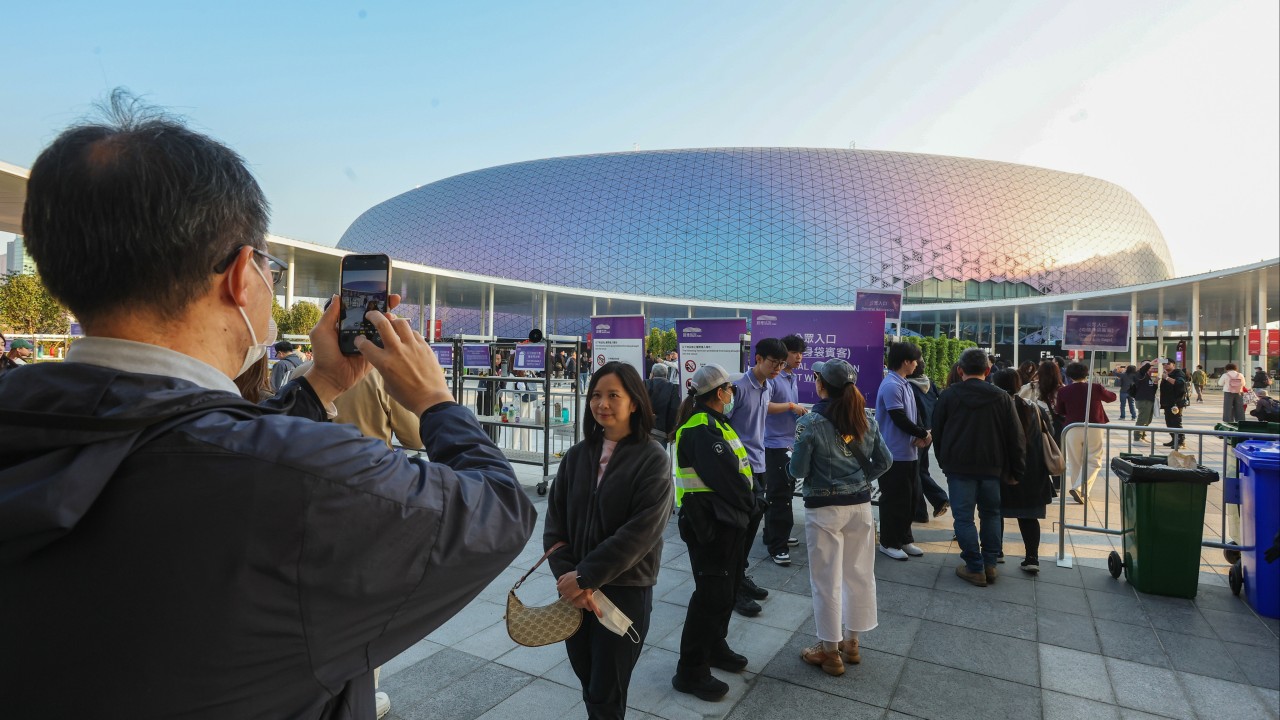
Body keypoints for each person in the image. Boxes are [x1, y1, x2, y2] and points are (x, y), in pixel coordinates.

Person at [0, 94, 536, 719]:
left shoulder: (32, 421)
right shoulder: (311, 481)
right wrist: (435, 400)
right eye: (267, 268)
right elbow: (498, 510)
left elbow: (192, 444)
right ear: (238, 276)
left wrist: (320, 384)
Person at [544, 362, 672, 719]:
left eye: (614, 395)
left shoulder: (653, 459)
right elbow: (554, 525)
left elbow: (640, 533)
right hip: (574, 592)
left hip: (623, 590)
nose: (602, 404)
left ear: (634, 402)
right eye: (596, 395)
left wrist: (586, 576)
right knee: (588, 679)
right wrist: (571, 579)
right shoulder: (577, 456)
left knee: (607, 690)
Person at [789, 358, 890, 677]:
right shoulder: (866, 418)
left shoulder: (810, 422)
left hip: (824, 509)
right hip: (860, 507)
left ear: (820, 384)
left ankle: (830, 653)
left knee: (826, 581)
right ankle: (852, 643)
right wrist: (859, 480)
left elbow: (798, 470)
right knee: (859, 574)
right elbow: (885, 461)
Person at [670, 364, 756, 702]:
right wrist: (750, 502)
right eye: (729, 388)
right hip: (709, 524)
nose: (732, 392)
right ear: (719, 393)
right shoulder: (700, 428)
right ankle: (690, 671)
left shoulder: (716, 423)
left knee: (726, 590)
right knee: (710, 596)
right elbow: (728, 479)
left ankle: (715, 647)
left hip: (724, 522)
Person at [932, 348, 1026, 587]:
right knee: (991, 514)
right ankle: (990, 565)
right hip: (992, 466)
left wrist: (944, 461)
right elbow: (1015, 437)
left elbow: (938, 432)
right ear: (988, 369)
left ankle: (974, 567)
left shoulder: (948, 396)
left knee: (963, 518)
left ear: (959, 370)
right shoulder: (1002, 397)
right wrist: (1017, 469)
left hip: (958, 467)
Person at [725, 337, 787, 615]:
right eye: (774, 362)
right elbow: (721, 426)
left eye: (781, 364)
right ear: (758, 358)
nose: (778, 368)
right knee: (738, 530)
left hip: (760, 465)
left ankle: (740, 576)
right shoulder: (737, 388)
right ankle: (732, 589)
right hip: (740, 469)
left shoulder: (768, 386)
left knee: (751, 527)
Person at [990, 369, 1056, 573]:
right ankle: (1032, 558)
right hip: (1032, 470)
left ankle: (996, 552)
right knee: (1029, 517)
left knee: (995, 513)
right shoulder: (1034, 408)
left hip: (1002, 469)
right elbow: (1050, 433)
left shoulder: (994, 408)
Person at [874, 342, 930, 561]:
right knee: (893, 499)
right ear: (906, 361)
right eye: (915, 360)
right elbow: (898, 418)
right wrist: (922, 433)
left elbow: (913, 417)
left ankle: (904, 538)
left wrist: (922, 433)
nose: (917, 364)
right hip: (893, 453)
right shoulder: (891, 385)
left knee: (910, 498)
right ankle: (888, 542)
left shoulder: (904, 383)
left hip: (908, 453)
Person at [762, 333, 809, 566]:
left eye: (801, 353)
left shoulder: (791, 377)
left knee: (784, 493)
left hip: (789, 443)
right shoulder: (772, 378)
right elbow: (765, 406)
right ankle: (777, 546)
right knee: (779, 496)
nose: (798, 357)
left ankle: (773, 534)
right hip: (774, 444)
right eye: (794, 352)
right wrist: (791, 406)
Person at [1055, 362, 1117, 503]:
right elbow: (1112, 397)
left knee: (1075, 461)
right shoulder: (1095, 387)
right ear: (1086, 373)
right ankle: (1079, 488)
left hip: (1072, 427)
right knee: (1094, 460)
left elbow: (1060, 410)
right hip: (1094, 426)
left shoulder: (1063, 391)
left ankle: (1080, 490)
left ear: (1069, 375)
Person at [907, 361, 949, 519]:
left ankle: (921, 511)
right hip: (930, 431)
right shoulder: (929, 383)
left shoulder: (908, 386)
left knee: (914, 472)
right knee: (921, 470)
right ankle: (938, 500)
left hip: (918, 433)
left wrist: (920, 432)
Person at [644, 362, 680, 448]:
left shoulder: (645, 384)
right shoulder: (672, 387)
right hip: (661, 433)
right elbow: (674, 410)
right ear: (666, 375)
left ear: (652, 374)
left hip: (643, 430)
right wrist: (669, 431)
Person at [1158, 360, 1188, 449]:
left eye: (1168, 364)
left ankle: (1181, 441)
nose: (1165, 365)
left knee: (1176, 422)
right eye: (1164, 364)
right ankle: (1174, 439)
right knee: (1169, 422)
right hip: (1167, 402)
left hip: (1176, 403)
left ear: (1173, 365)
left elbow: (1179, 383)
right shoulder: (1166, 374)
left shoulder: (1178, 373)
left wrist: (1167, 378)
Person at [1132, 362, 1160, 441]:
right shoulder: (1139, 374)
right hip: (1143, 400)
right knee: (1142, 419)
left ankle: (1142, 436)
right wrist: (1151, 363)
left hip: (1149, 400)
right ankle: (1137, 438)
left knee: (1147, 420)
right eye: (1148, 365)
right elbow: (1142, 370)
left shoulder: (1147, 376)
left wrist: (1155, 382)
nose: (1150, 367)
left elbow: (1151, 389)